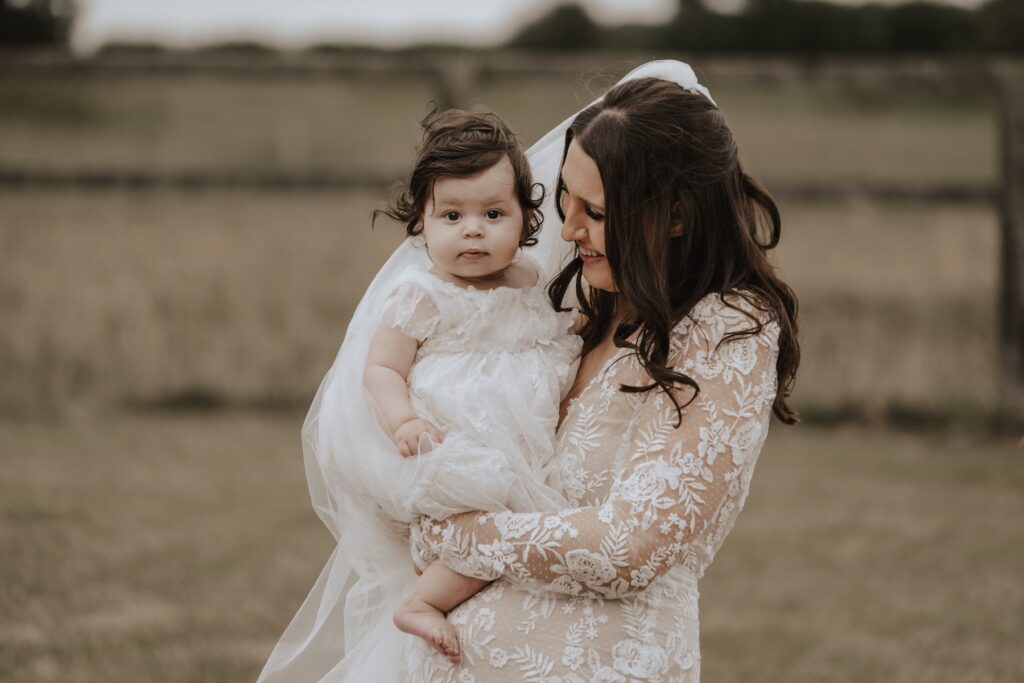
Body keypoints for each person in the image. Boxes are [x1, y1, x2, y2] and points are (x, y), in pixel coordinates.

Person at [257, 60, 799, 683]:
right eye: (566, 202)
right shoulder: (582, 305)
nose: (567, 231)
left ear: (674, 216)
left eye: (594, 212)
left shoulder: (729, 328)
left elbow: (632, 547)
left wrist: (453, 536)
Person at [362, 108, 580, 663]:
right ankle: (422, 603)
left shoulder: (533, 281)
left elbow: (549, 338)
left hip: (521, 434)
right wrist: (403, 420)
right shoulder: (422, 293)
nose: (473, 229)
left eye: (492, 213)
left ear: (527, 218)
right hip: (459, 438)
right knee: (480, 515)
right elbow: (382, 368)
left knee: (520, 519)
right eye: (452, 215)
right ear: (423, 222)